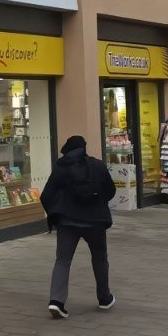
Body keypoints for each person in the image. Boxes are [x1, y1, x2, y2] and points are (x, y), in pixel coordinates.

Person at [39, 134, 117, 320]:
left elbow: (46, 195)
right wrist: (98, 201)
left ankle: (56, 301)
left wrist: (55, 213)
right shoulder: (98, 166)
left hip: (67, 221)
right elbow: (111, 190)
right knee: (99, 256)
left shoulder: (60, 167)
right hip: (95, 221)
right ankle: (104, 297)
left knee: (63, 260)